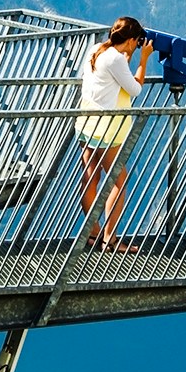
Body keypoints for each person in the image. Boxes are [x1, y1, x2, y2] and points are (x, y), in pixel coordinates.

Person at [76, 15, 153, 252]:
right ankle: (109, 238)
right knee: (119, 181)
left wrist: (128, 56)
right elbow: (135, 89)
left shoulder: (97, 49)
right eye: (137, 41)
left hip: (86, 123)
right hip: (108, 130)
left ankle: (94, 231)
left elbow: (113, 76)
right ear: (131, 40)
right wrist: (143, 59)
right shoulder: (116, 59)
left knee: (91, 178)